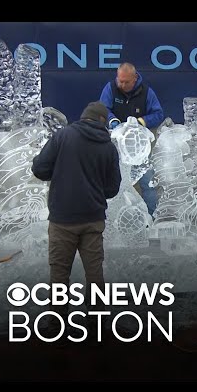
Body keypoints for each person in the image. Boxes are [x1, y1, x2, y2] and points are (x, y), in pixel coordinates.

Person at [31, 101, 121, 340]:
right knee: (94, 273)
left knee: (60, 273)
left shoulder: (63, 136)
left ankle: (56, 326)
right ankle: (97, 324)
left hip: (63, 219)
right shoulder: (109, 147)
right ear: (103, 122)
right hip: (93, 219)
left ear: (83, 117)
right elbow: (112, 188)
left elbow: (40, 169)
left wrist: (60, 171)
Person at [99, 62, 164, 216]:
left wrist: (141, 122)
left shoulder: (147, 92)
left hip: (138, 148)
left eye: (126, 82)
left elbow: (158, 114)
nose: (122, 84)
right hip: (115, 145)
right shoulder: (110, 88)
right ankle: (110, 218)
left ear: (135, 78)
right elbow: (102, 109)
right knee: (113, 182)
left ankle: (151, 217)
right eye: (120, 80)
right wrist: (112, 121)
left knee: (147, 182)